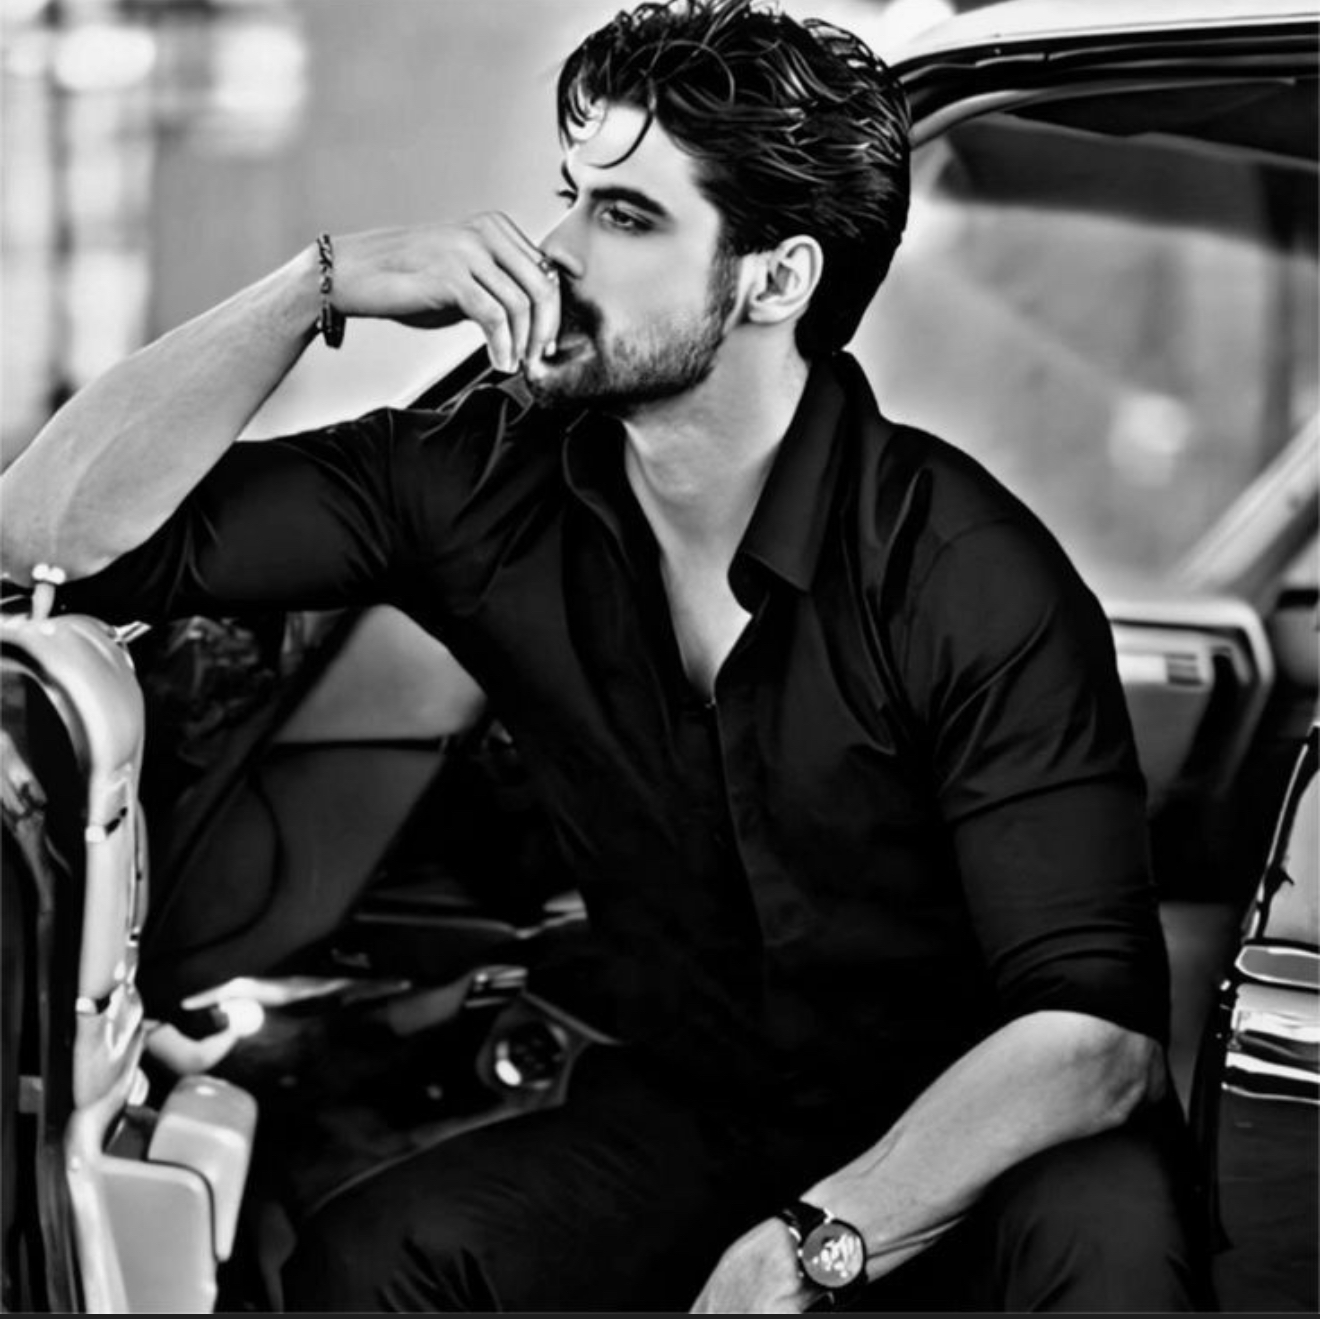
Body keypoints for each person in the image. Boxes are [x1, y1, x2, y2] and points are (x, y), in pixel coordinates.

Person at [1, 0, 1214, 1310]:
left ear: (776, 281)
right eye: (570, 197)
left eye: (627, 217)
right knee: (379, 1258)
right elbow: (50, 534)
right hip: (709, 1120)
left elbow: (1092, 1041)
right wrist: (319, 285)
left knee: (1106, 1237)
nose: (557, 250)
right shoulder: (481, 476)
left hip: (979, 1145)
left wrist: (815, 1245)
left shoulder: (964, 570)